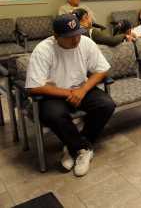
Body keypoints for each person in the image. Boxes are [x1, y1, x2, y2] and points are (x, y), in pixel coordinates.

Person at [25, 14, 115, 177]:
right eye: (70, 37)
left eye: (78, 34)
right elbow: (34, 87)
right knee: (52, 115)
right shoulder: (43, 50)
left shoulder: (86, 42)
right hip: (55, 94)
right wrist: (69, 93)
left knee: (106, 105)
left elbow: (102, 69)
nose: (76, 40)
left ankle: (73, 145)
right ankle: (82, 149)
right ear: (56, 36)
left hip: (81, 88)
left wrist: (82, 90)